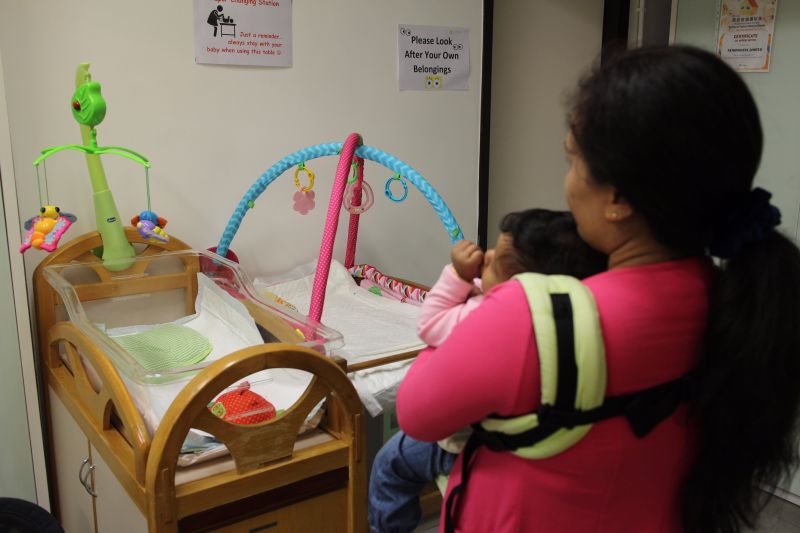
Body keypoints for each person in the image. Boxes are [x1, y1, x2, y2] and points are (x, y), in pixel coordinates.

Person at [386, 45, 800, 533]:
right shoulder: (734, 298)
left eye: (573, 161)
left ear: (619, 198)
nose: (568, 185)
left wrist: (480, 302)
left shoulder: (531, 318)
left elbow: (416, 413)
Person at [369, 209, 607, 533]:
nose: (487, 255)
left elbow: (430, 324)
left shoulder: (488, 317)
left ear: (520, 287)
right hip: (540, 438)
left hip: (468, 440)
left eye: (496, 263)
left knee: (389, 464)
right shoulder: (576, 312)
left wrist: (456, 275)